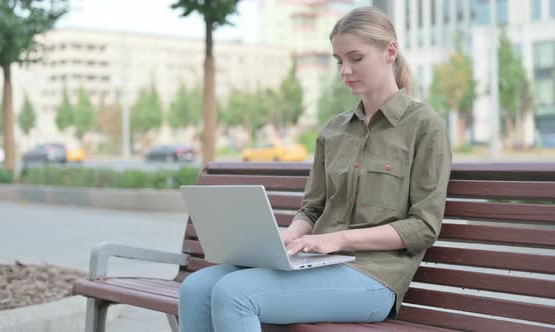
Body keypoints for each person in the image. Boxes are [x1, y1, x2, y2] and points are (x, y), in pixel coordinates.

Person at [178, 6, 452, 332]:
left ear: (389, 51)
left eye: (356, 58)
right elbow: (312, 208)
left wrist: (337, 239)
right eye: (339, 61)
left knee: (235, 294)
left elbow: (423, 227)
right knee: (195, 288)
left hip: (375, 277)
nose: (345, 70)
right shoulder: (334, 130)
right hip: (315, 263)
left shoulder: (424, 125)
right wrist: (291, 236)